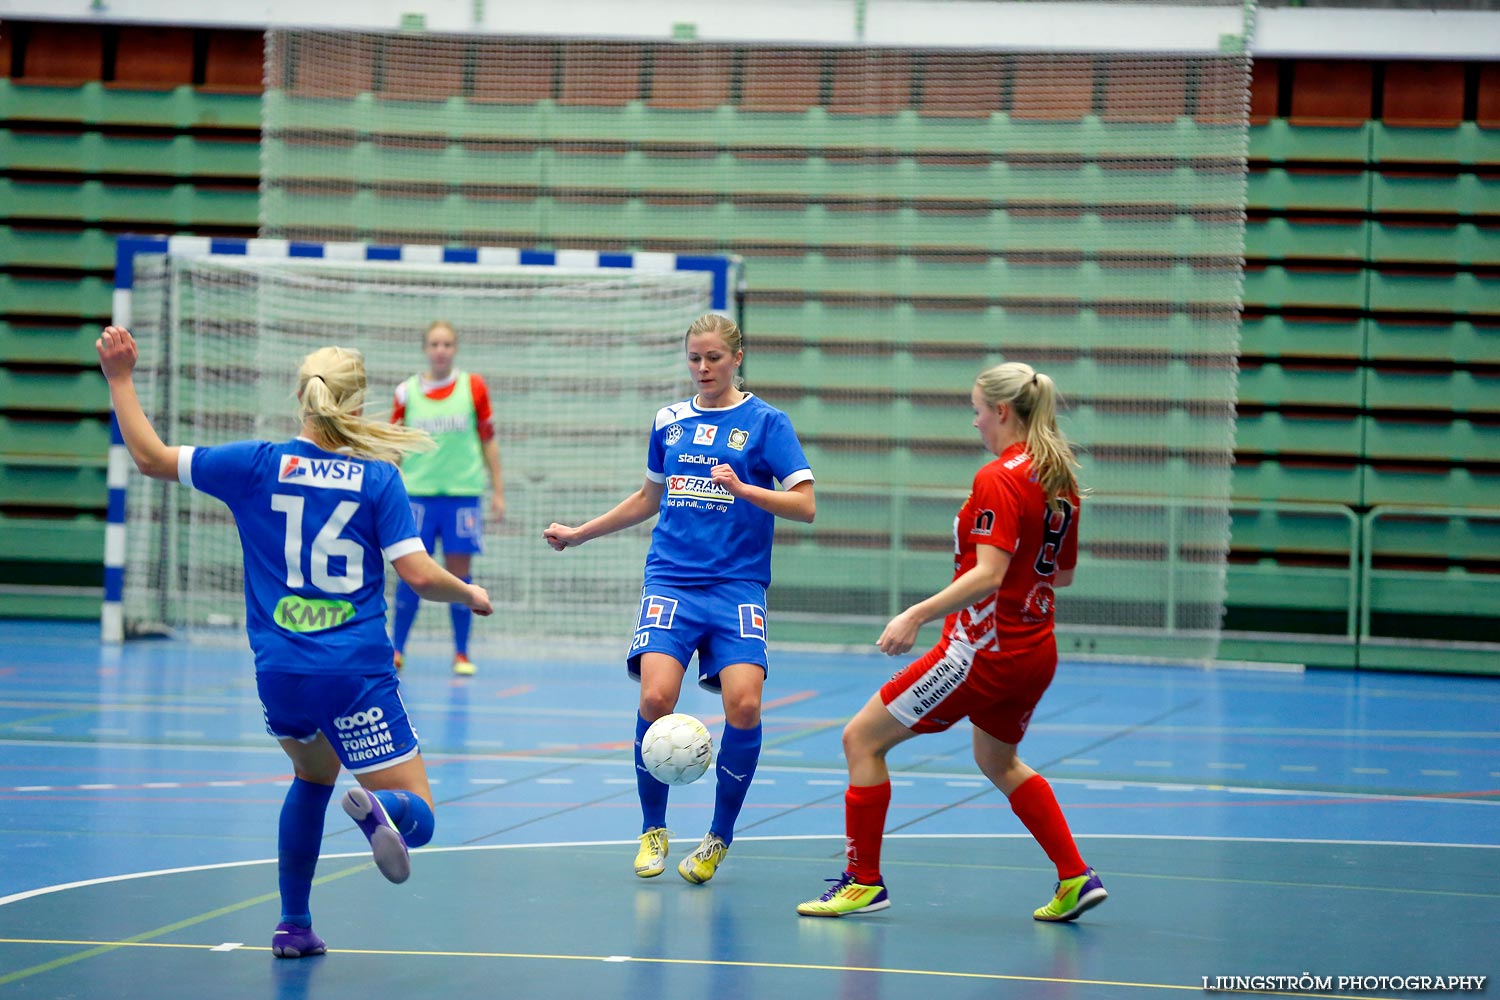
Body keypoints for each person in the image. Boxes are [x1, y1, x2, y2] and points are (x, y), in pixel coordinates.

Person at [96, 326, 492, 958]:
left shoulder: (253, 464)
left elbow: (149, 457)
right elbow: (417, 575)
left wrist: (119, 377)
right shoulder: (377, 479)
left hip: (279, 672)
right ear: (356, 406)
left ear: (299, 401)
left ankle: (294, 924)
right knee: (420, 811)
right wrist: (468, 592)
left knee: (311, 777)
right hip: (353, 671)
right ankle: (383, 810)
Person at [796, 361, 1107, 922]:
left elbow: (989, 574)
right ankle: (1075, 876)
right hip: (1035, 649)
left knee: (861, 740)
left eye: (978, 411)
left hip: (979, 653)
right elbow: (1059, 575)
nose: (975, 423)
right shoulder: (1057, 474)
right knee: (998, 758)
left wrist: (914, 614)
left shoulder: (999, 477)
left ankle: (863, 881)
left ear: (1003, 412)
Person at [543, 313, 815, 885]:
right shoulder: (669, 422)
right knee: (655, 697)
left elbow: (805, 505)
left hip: (737, 586)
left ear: (736, 357)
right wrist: (579, 532)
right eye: (694, 357)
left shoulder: (767, 423)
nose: (703, 368)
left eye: (713, 357)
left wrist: (744, 489)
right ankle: (653, 830)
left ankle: (718, 837)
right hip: (671, 580)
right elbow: (648, 498)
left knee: (744, 707)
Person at [390, 320, 505, 676]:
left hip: (461, 496)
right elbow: (394, 446)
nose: (441, 350)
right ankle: (396, 650)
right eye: (435, 344)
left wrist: (497, 489)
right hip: (417, 496)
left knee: (460, 576)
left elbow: (488, 440)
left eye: (447, 344)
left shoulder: (473, 388)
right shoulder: (406, 392)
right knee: (411, 573)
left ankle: (461, 653)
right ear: (425, 349)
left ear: (455, 349)